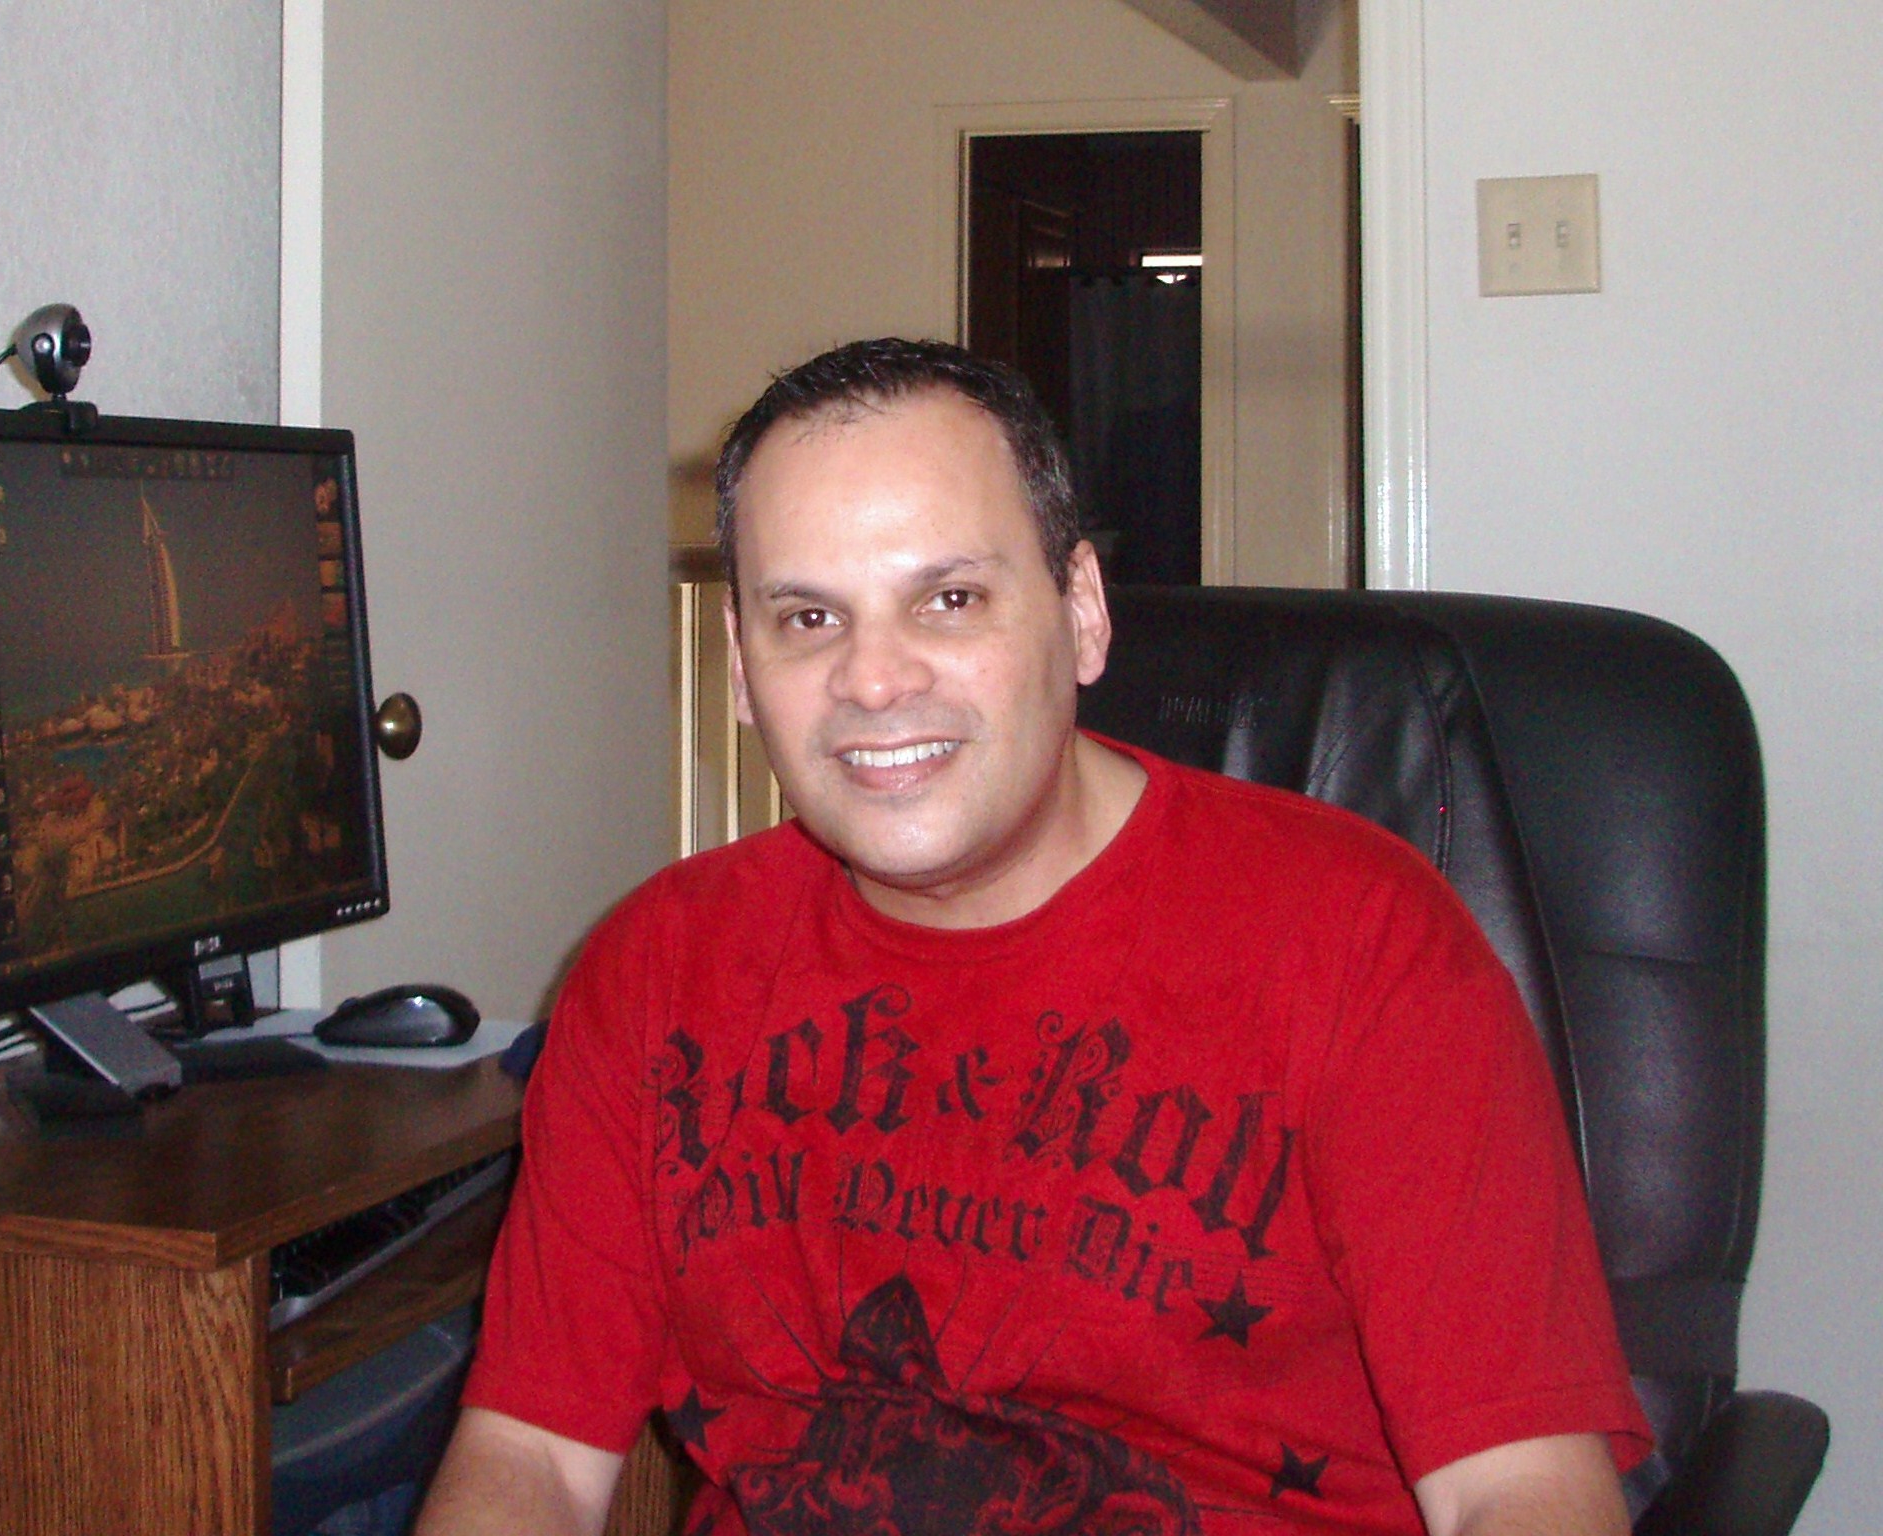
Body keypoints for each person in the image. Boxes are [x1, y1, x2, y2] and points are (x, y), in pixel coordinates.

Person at [416, 339, 1651, 1536]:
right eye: (808, 619)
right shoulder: (652, 970)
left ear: (1082, 614)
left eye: (948, 600)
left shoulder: (1361, 944)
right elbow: (531, 1455)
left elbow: (1516, 1492)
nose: (874, 680)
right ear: (739, 670)